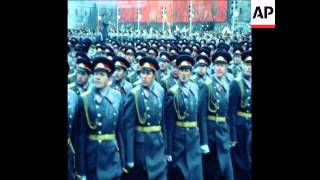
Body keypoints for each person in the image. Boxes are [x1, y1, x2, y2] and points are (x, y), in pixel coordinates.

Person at [76, 55, 125, 180]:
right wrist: (81, 169)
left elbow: (120, 131)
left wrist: (123, 160)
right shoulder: (85, 99)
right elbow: (81, 136)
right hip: (93, 156)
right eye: (96, 74)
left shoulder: (117, 97)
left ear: (109, 79)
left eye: (102, 74)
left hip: (112, 155)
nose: (97, 77)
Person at [122, 56, 167, 180]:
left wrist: (166, 147)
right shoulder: (134, 94)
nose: (144, 76)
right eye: (142, 73)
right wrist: (129, 158)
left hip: (157, 142)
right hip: (141, 145)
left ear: (154, 75)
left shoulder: (160, 91)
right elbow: (129, 127)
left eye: (148, 73)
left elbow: (163, 122)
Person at [164, 55, 204, 180]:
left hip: (194, 137)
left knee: (195, 171)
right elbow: (168, 123)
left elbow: (200, 116)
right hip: (179, 139)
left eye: (187, 70)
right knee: (180, 172)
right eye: (181, 70)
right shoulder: (172, 92)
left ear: (191, 72)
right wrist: (168, 150)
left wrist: (203, 141)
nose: (184, 73)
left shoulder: (196, 88)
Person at [199, 50, 234, 180]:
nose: (219, 68)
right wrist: (203, 141)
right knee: (211, 169)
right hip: (210, 133)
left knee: (224, 168)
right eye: (217, 64)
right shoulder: (206, 85)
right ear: (213, 66)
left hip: (223, 132)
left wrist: (230, 134)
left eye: (222, 65)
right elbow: (201, 115)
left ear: (226, 67)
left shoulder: (228, 85)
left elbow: (229, 113)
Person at [228, 50, 252, 180]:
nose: (249, 66)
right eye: (247, 63)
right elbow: (230, 111)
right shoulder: (237, 83)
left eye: (251, 64)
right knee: (241, 162)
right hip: (240, 128)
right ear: (243, 64)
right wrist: (233, 134)